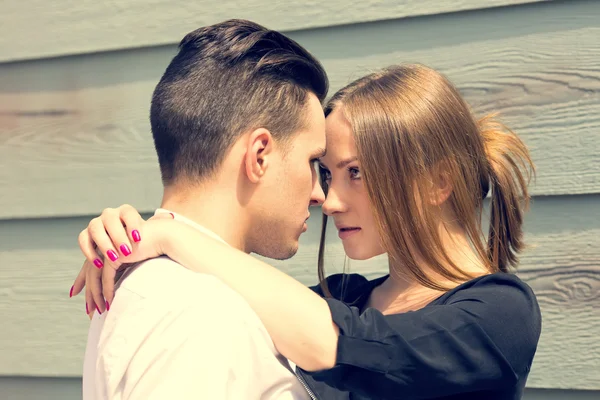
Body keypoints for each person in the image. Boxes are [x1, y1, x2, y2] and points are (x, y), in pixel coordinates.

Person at [73, 64, 542, 399]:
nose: (330, 201)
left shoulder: (501, 312)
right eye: (326, 174)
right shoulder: (340, 295)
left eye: (354, 172)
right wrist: (127, 234)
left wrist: (173, 234)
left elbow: (338, 343)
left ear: (438, 182)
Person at [74, 18, 330, 400]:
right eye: (312, 162)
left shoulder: (159, 286)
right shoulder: (199, 311)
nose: (320, 194)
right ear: (259, 155)